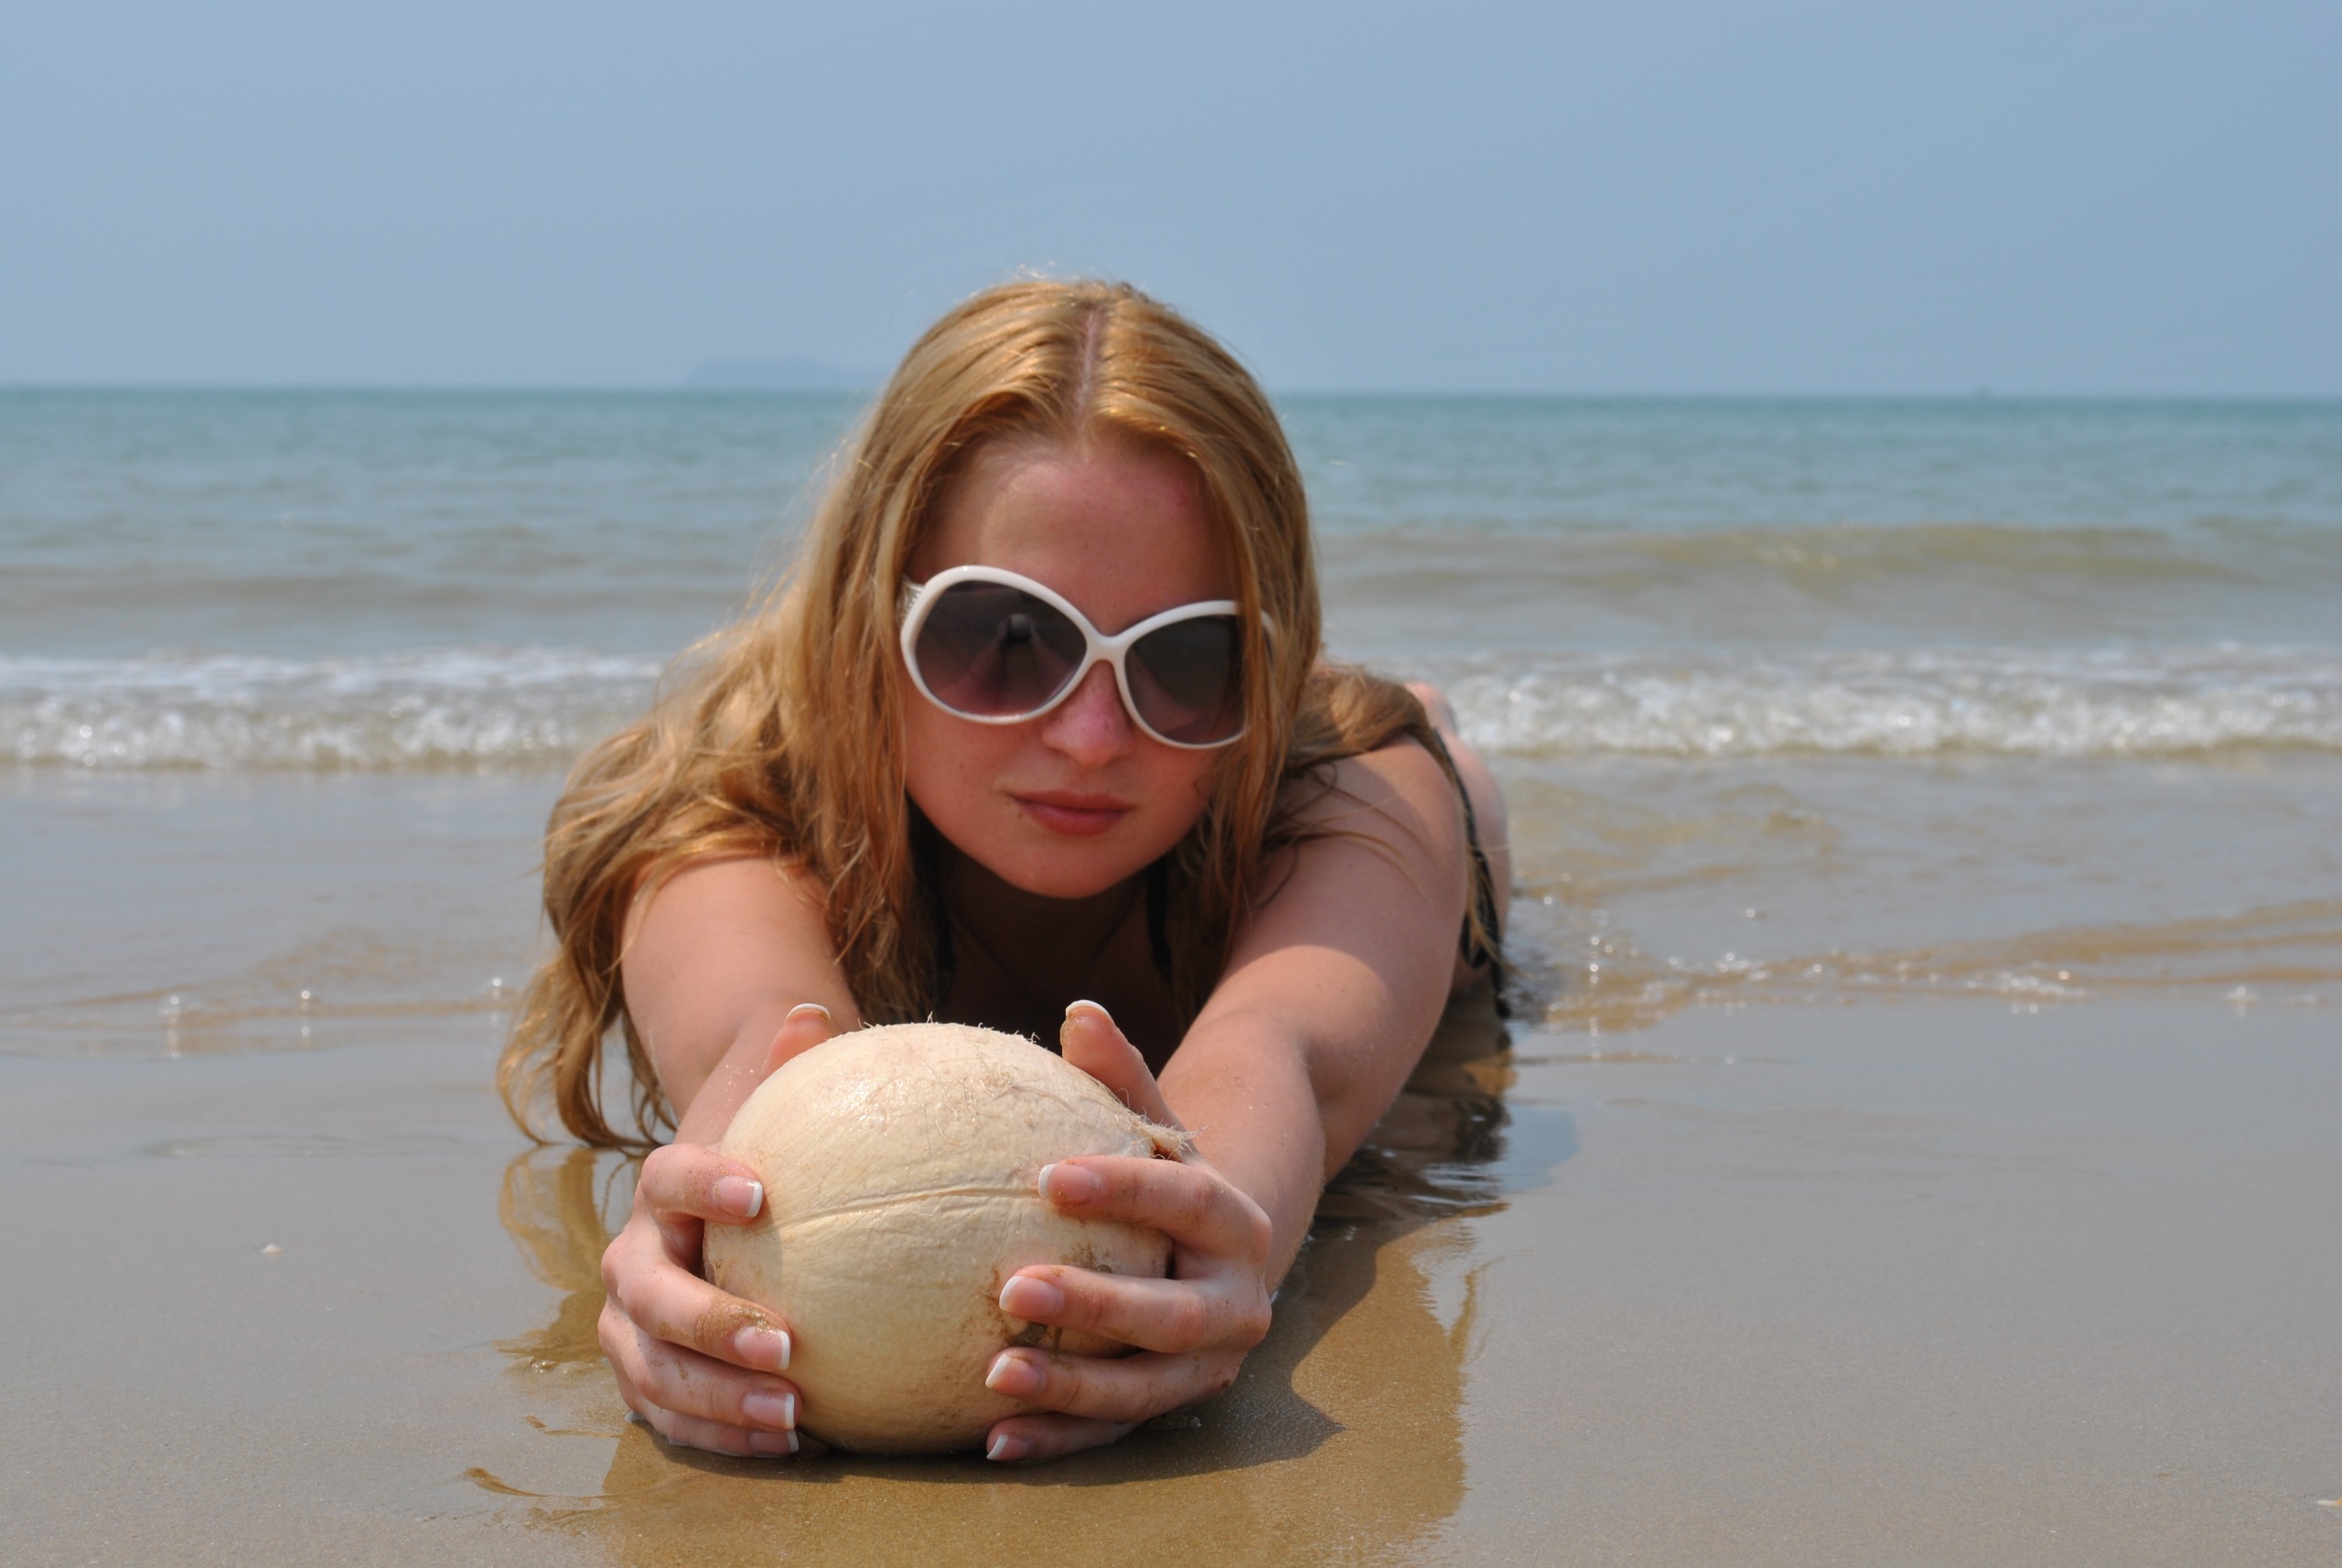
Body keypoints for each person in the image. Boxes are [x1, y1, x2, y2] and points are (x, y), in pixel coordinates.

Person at [499, 278, 1511, 1464]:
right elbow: (763, 1032)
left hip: (1376, 814)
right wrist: (691, 1244)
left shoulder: (1340, 796)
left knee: (1433, 779)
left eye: (1191, 655)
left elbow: (1277, 1048)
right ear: (866, 615)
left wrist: (1216, 1229)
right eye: (1007, 636)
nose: (1091, 736)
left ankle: (1439, 740)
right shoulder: (728, 802)